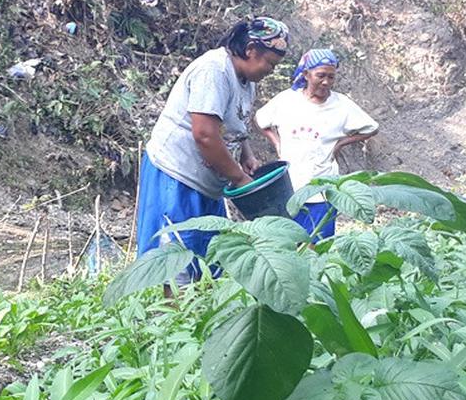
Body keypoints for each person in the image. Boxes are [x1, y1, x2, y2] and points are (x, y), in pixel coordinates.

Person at [136, 17, 290, 281]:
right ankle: (169, 318)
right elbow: (205, 135)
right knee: (175, 256)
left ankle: (196, 315)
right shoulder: (214, 71)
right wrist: (239, 178)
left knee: (208, 255)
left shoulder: (247, 80)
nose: (271, 71)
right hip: (177, 175)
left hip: (209, 181)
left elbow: (234, 123)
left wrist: (246, 155)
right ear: (251, 50)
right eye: (270, 63)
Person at [255, 48, 378, 240]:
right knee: (288, 243)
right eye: (320, 75)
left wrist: (341, 144)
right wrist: (277, 143)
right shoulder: (287, 100)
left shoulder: (341, 105)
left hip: (323, 188)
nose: (326, 82)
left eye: (331, 77)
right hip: (288, 188)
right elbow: (260, 120)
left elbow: (371, 128)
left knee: (318, 246)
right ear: (306, 74)